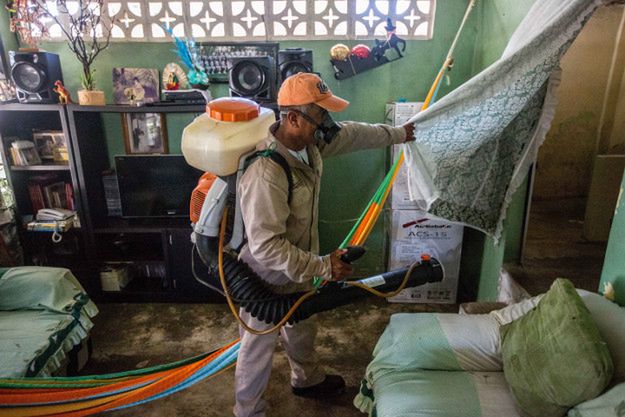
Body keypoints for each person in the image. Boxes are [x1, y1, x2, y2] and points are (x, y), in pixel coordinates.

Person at [235, 72, 415, 417]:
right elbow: (267, 248)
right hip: (264, 275)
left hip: (299, 263)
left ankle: (306, 379)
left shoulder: (311, 143)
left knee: (302, 326)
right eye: (321, 116)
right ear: (292, 118)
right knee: (258, 345)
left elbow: (357, 133)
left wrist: (399, 134)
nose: (328, 124)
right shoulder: (266, 172)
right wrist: (322, 265)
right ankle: (247, 410)